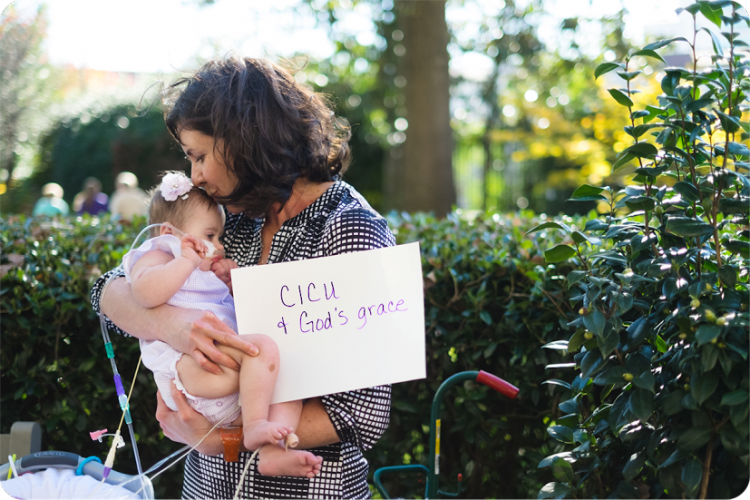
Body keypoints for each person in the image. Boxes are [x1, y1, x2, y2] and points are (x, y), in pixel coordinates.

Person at [91, 56, 393, 499]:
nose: (194, 175)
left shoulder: (347, 227)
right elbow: (109, 289)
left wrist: (221, 439)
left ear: (242, 140)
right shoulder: (233, 215)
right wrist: (170, 325)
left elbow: (364, 409)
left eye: (199, 156)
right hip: (206, 487)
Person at [125, 171, 321, 478]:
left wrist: (230, 285)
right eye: (210, 236)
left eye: (220, 237)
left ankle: (272, 451)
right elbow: (144, 293)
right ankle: (255, 427)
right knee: (266, 349)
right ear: (168, 232)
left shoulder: (205, 270)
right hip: (193, 370)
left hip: (234, 385)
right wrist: (187, 262)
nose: (219, 246)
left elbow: (234, 315)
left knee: (290, 380)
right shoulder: (157, 256)